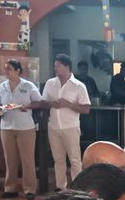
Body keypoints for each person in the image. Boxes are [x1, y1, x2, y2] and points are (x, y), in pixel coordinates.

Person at [30, 54, 91, 190]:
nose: (55, 69)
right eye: (55, 66)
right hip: (53, 126)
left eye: (58, 66)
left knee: (74, 160)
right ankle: (60, 187)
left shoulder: (79, 86)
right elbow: (43, 103)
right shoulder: (50, 83)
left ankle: (77, 188)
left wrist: (67, 104)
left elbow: (86, 109)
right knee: (58, 159)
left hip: (71, 127)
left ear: (67, 67)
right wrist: (52, 104)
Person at [0, 58, 42, 200]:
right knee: (10, 159)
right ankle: (10, 188)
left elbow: (39, 103)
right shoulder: (1, 87)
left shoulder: (28, 86)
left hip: (25, 127)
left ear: (18, 71)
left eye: (9, 69)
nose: (6, 72)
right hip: (6, 126)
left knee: (27, 159)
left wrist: (28, 106)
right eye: (5, 69)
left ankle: (30, 189)